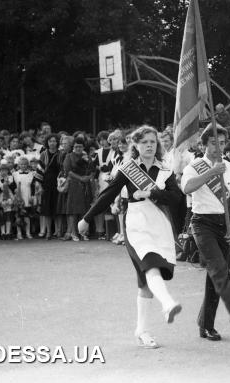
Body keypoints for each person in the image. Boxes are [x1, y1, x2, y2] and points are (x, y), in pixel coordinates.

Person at [79, 125, 185, 349]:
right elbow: (108, 194)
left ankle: (142, 331)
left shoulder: (164, 170)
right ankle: (167, 303)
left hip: (159, 225)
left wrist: (151, 192)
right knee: (150, 264)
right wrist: (87, 218)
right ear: (136, 145)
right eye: (144, 142)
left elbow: (176, 198)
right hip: (136, 225)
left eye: (153, 142)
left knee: (145, 281)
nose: (149, 145)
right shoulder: (128, 169)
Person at [182, 125, 230, 341]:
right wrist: (212, 172)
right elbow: (187, 188)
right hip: (202, 223)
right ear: (203, 145)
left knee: (214, 276)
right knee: (218, 267)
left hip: (225, 224)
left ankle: (206, 325)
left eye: (221, 143)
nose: (218, 148)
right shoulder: (194, 166)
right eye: (213, 143)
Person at [35, 134, 60, 240]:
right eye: (50, 141)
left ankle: (58, 231)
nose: (52, 143)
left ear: (57, 142)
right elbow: (39, 171)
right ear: (47, 143)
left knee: (58, 209)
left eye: (54, 141)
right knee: (47, 210)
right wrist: (39, 186)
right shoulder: (43, 154)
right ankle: (48, 232)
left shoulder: (61, 154)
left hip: (59, 184)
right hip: (47, 184)